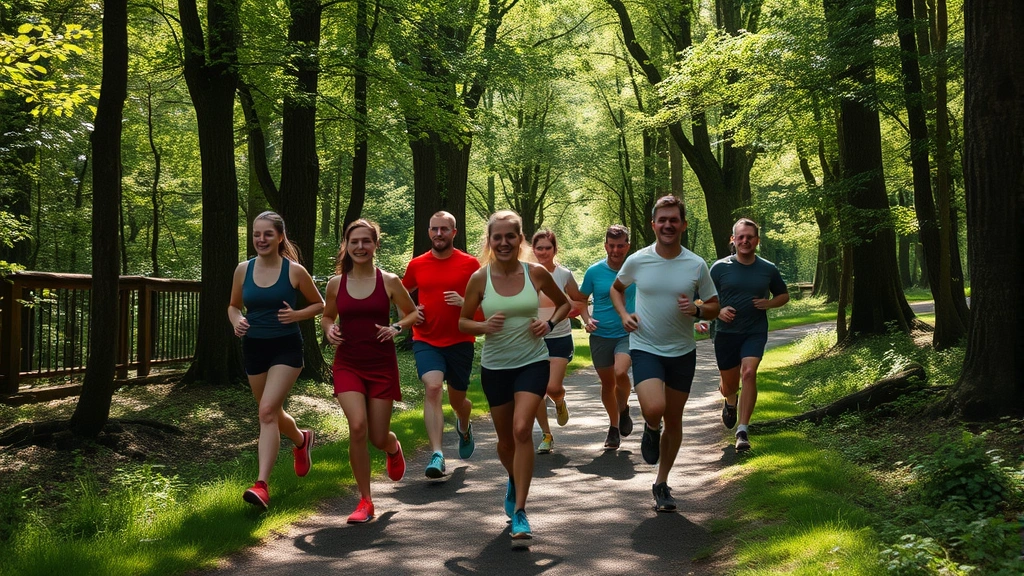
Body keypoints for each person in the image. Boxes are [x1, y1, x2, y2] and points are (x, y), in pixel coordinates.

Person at [459, 210, 570, 543]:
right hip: (495, 368)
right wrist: (482, 326)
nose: (504, 242)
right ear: (490, 241)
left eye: (511, 236)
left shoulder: (535, 273)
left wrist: (548, 324)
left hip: (533, 361)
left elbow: (565, 305)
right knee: (506, 441)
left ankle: (520, 511)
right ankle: (513, 477)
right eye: (498, 237)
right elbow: (463, 322)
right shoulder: (480, 278)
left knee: (523, 430)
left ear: (520, 240)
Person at [610, 195, 719, 513]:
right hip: (645, 347)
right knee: (655, 407)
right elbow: (617, 289)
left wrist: (698, 308)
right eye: (663, 219)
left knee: (675, 418)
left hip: (683, 351)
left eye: (674, 219)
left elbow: (714, 306)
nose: (668, 224)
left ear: (683, 225)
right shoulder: (638, 260)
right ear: (653, 224)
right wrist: (623, 315)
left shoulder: (696, 264)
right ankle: (650, 427)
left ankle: (661, 483)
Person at [322, 219, 419, 524]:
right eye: (354, 242)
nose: (360, 247)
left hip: (381, 365)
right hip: (348, 362)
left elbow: (414, 313)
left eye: (366, 241)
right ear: (346, 246)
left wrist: (396, 327)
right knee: (358, 427)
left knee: (377, 437)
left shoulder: (389, 281)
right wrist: (329, 330)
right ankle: (365, 500)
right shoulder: (336, 283)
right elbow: (327, 316)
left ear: (376, 244)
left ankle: (392, 447)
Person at [228, 211, 325, 510]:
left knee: (267, 411)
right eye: (257, 234)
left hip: (286, 348)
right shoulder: (243, 269)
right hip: (255, 347)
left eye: (267, 234)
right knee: (270, 412)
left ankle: (261, 485)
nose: (261, 239)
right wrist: (237, 320)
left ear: (280, 236)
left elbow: (320, 304)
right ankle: (301, 439)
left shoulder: (294, 271)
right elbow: (233, 306)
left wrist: (297, 315)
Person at [401, 211, 481, 478]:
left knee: (459, 401)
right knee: (433, 388)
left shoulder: (470, 265)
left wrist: (464, 303)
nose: (438, 234)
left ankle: (464, 423)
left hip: (460, 341)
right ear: (428, 232)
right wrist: (411, 313)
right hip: (426, 339)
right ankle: (437, 453)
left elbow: (486, 304)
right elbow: (399, 294)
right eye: (434, 229)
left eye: (444, 229)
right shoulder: (417, 264)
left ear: (454, 232)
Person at [706, 218, 789, 452]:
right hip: (726, 333)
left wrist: (769, 303)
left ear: (757, 241)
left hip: (754, 330)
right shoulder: (720, 267)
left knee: (749, 373)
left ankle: (742, 430)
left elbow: (784, 295)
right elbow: (703, 298)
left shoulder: (768, 268)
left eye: (749, 237)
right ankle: (730, 401)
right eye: (740, 237)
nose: (745, 241)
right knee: (729, 385)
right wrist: (718, 311)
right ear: (733, 240)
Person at [529, 229, 589, 455]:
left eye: (548, 248)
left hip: (559, 337)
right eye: (539, 248)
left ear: (555, 250)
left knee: (552, 387)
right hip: (533, 339)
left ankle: (560, 400)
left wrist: (586, 321)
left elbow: (580, 301)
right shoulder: (526, 273)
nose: (543, 252)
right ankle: (546, 435)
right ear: (533, 250)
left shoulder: (564, 274)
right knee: (536, 390)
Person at [579, 224, 636, 450]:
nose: (615, 250)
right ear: (605, 246)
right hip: (600, 333)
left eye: (620, 246)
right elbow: (581, 299)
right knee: (607, 383)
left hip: (627, 332)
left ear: (627, 246)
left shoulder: (636, 270)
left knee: (620, 371)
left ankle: (623, 408)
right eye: (611, 246)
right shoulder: (594, 272)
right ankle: (615, 425)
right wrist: (586, 319)